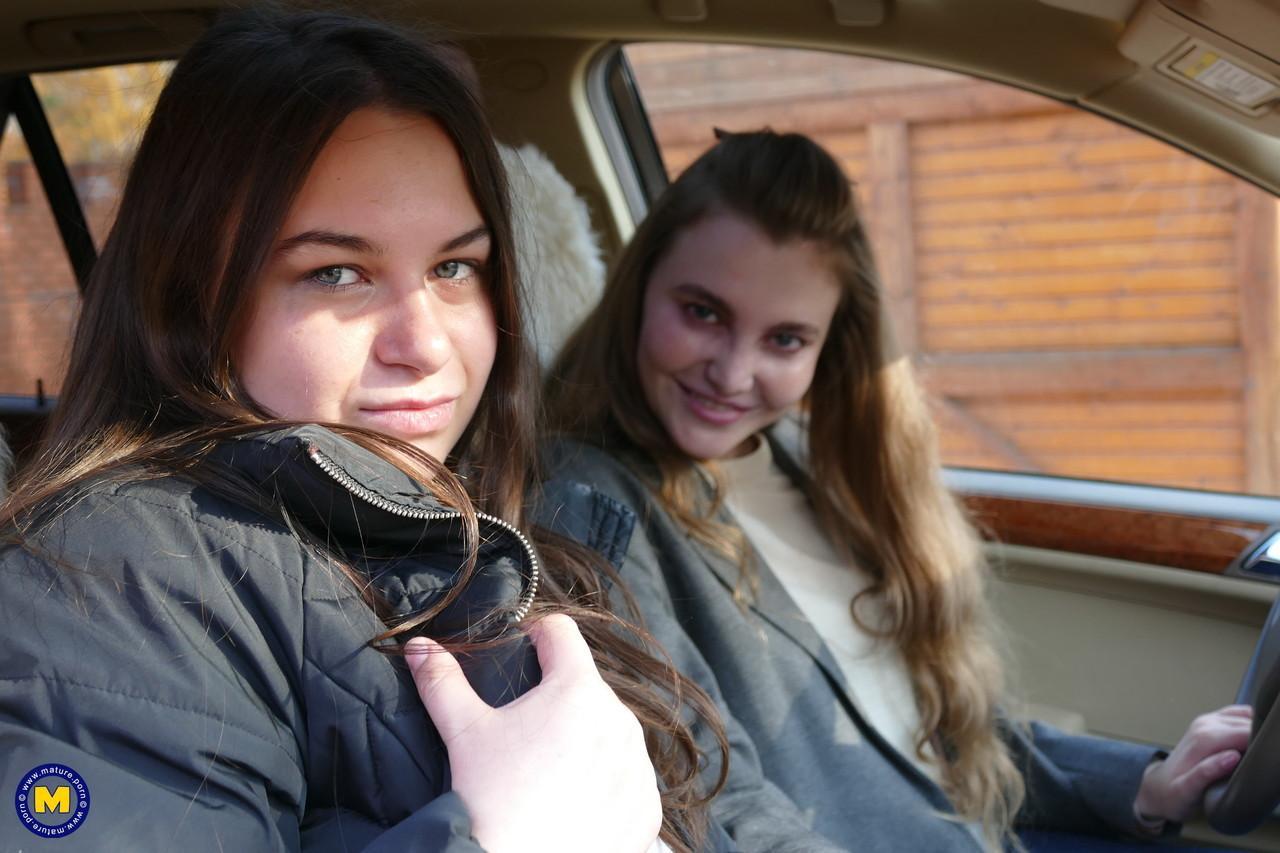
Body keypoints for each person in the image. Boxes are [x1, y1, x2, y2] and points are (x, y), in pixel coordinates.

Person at [0, 8, 742, 851]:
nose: (424, 343)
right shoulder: (106, 582)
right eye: (338, 273)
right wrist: (515, 837)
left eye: (453, 266)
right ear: (193, 304)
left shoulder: (513, 532)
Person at [541, 129, 1253, 852]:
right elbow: (704, 793)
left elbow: (941, 734)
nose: (731, 373)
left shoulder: (802, 464)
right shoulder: (588, 500)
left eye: (784, 340)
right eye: (702, 312)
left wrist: (1146, 783)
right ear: (639, 293)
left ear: (828, 347)